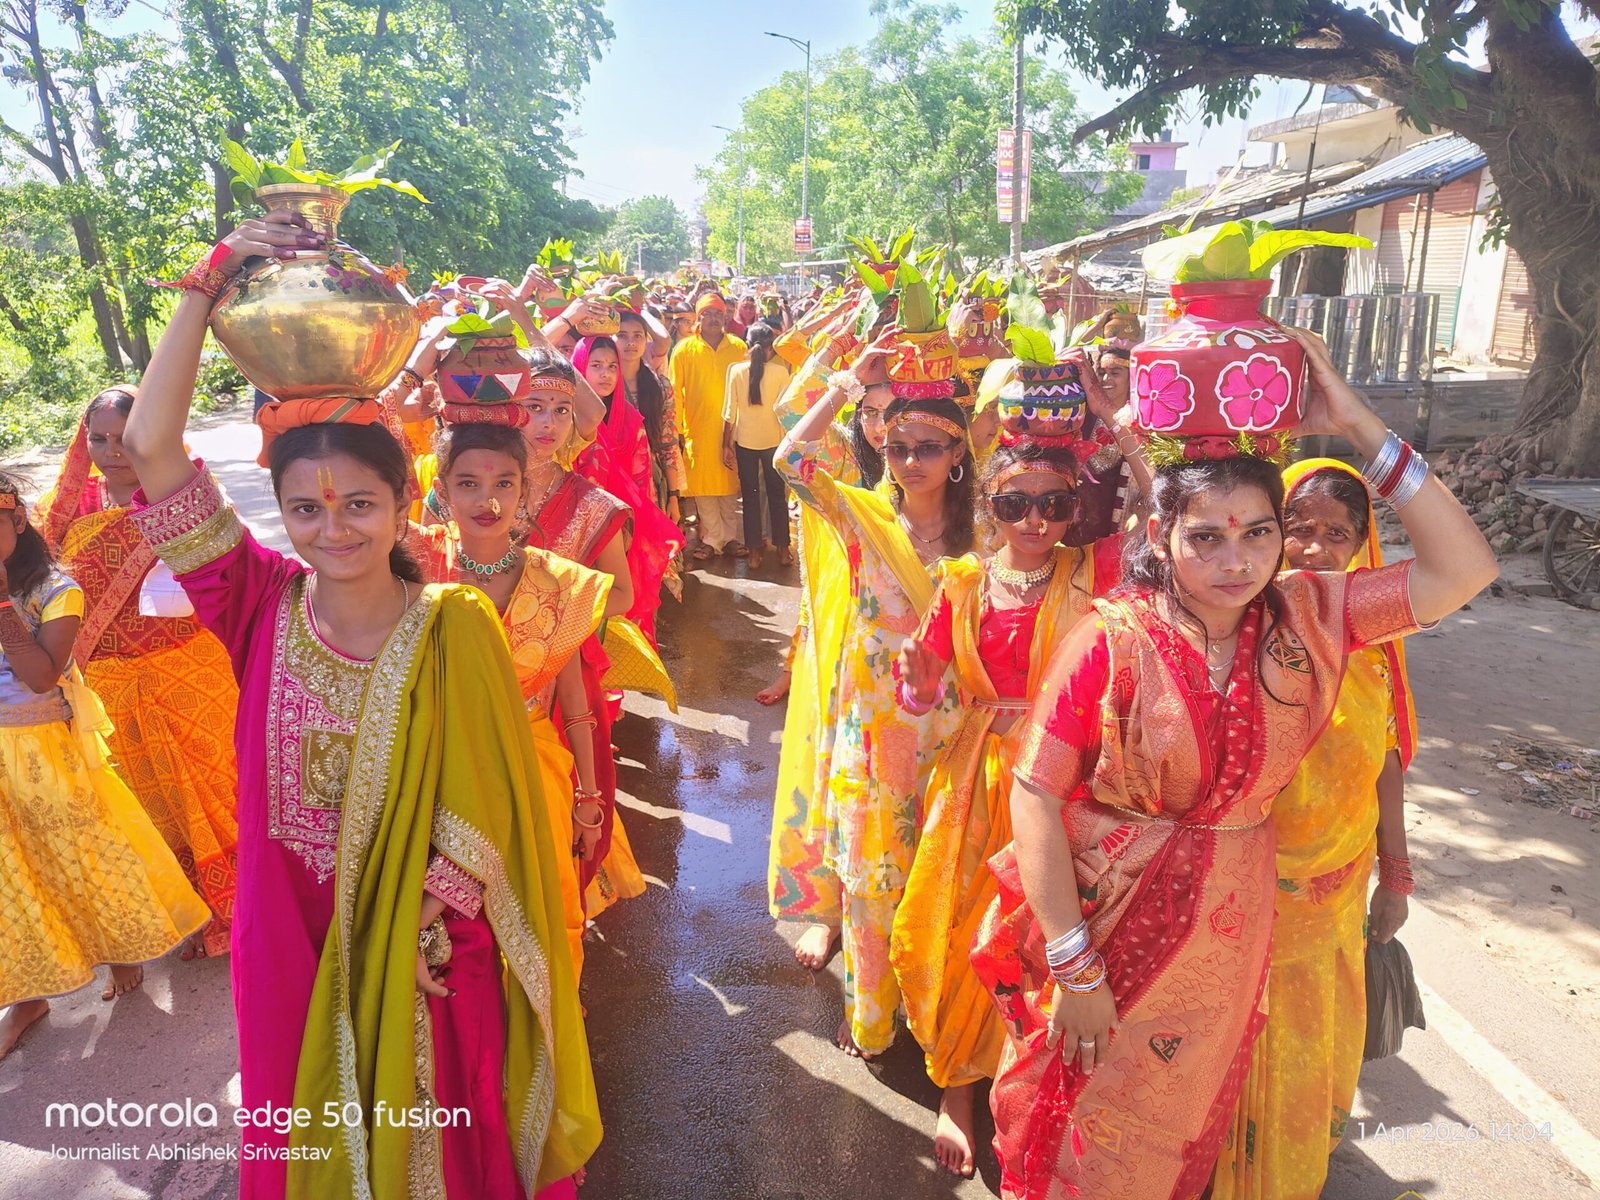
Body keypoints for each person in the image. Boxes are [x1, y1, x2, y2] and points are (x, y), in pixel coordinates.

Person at [122, 207, 599, 1199]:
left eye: (358, 505)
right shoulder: (257, 603)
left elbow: (492, 792)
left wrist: (446, 906)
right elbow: (149, 443)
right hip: (289, 939)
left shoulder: (451, 625)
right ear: (281, 512)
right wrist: (210, 282)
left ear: (398, 502)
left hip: (426, 937)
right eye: (305, 507)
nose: (330, 528)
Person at [970, 329, 1498, 1200]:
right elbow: (1034, 796)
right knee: (1084, 1114)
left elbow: (1465, 568)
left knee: (1176, 1122)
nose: (1237, 560)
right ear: (1159, 532)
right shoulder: (1110, 639)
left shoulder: (1311, 619)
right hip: (1103, 916)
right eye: (1206, 537)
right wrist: (1074, 967)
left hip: (1230, 911)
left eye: (1259, 534)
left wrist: (1359, 426)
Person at [891, 440, 1125, 1178]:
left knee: (1046, 933)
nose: (1035, 519)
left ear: (1074, 509)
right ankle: (957, 1087)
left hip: (1065, 782)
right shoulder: (960, 584)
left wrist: (1116, 416)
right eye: (1015, 503)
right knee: (959, 921)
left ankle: (1028, 1084)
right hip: (977, 776)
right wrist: (919, 685)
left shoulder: (1094, 574)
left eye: (1054, 503)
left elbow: (1170, 511)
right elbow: (923, 696)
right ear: (988, 504)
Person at [1211, 458, 1418, 1200]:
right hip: (1250, 882)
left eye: (1337, 533)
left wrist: (1396, 874)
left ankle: (1288, 1171)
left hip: (1339, 881)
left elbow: (1385, 756)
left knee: (1310, 1038)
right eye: (1296, 528)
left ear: (1363, 545)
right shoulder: (1232, 623)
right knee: (1236, 1037)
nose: (1313, 549)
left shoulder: (1370, 639)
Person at [775, 326, 972, 1058]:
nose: (912, 461)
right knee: (868, 885)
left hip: (956, 736)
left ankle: (942, 1023)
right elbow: (790, 459)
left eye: (930, 447)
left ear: (958, 454)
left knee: (941, 884)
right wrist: (847, 382)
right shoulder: (864, 518)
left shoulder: (988, 528)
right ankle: (871, 1020)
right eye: (897, 447)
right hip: (872, 733)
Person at [0, 470, 209, 1059]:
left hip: (42, 746)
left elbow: (41, 675)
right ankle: (28, 995)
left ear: (16, 519)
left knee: (76, 852)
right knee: (10, 873)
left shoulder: (56, 590)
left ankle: (117, 948)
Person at [36, 386, 241, 960]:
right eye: (96, 439)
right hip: (110, 677)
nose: (109, 451)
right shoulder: (71, 507)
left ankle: (240, 903)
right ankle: (189, 910)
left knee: (215, 783)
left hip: (190, 666)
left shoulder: (184, 492)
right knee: (149, 799)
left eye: (122, 438)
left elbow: (228, 567)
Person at [417, 420, 613, 981]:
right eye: (469, 484)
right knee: (454, 927)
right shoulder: (414, 569)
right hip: (439, 766)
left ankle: (548, 1040)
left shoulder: (559, 584)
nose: (488, 500)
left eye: (505, 483)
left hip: (534, 766)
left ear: (524, 491)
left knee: (545, 908)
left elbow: (574, 704)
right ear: (443, 490)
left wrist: (590, 799)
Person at [764, 296, 891, 973]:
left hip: (919, 658)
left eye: (888, 411)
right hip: (844, 641)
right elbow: (791, 429)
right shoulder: (843, 467)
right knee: (842, 779)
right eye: (867, 413)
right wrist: (843, 362)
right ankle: (837, 911)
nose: (878, 426)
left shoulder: (942, 477)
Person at [572, 334, 684, 645]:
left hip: (622, 530)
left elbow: (641, 480)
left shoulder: (631, 418)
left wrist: (628, 529)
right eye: (595, 366)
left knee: (619, 612)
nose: (605, 374)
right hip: (575, 528)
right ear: (579, 368)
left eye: (611, 366)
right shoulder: (564, 417)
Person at [670, 294, 747, 560]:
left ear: (725, 317)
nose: (713, 318)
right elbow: (674, 392)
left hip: (732, 430)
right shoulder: (683, 350)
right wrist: (676, 430)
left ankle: (730, 538)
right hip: (697, 429)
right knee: (703, 487)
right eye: (707, 313)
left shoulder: (738, 347)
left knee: (728, 486)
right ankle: (713, 539)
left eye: (717, 313)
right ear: (698, 318)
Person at [722, 321, 793, 570]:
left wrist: (725, 445)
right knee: (777, 496)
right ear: (770, 349)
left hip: (746, 443)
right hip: (774, 441)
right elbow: (785, 411)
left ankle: (754, 554)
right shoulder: (781, 371)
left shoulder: (736, 370)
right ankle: (783, 550)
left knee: (750, 497)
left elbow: (729, 412)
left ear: (747, 344)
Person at [614, 308, 685, 523]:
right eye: (622, 336)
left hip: (651, 481)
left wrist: (673, 496)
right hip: (612, 483)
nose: (630, 343)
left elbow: (668, 444)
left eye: (638, 336)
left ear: (646, 341)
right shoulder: (603, 386)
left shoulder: (660, 387)